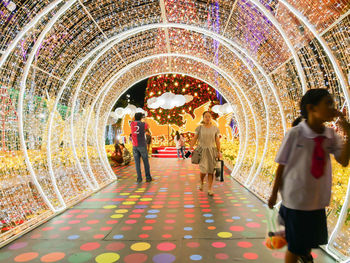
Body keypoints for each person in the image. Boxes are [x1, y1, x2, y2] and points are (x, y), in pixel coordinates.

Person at [268, 89, 350, 263]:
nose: (332, 108)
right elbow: (281, 165)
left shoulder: (330, 135)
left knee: (306, 243)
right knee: (296, 247)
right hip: (295, 201)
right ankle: (298, 250)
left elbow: (343, 160)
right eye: (327, 103)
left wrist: (348, 133)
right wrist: (274, 193)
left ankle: (302, 252)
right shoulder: (295, 134)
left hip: (317, 202)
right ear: (311, 108)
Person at [189, 111, 222, 196]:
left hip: (212, 151)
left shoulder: (215, 129)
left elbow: (217, 141)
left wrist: (219, 152)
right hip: (202, 151)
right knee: (203, 170)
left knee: (211, 170)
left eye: (209, 117)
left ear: (211, 118)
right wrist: (189, 149)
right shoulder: (199, 128)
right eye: (206, 117)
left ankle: (210, 189)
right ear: (203, 118)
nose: (207, 118)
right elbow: (194, 139)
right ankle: (201, 181)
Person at [130, 113, 153, 183]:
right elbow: (148, 126)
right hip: (142, 145)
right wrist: (144, 119)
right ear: (141, 117)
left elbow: (132, 120)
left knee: (137, 163)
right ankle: (148, 177)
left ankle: (139, 178)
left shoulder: (132, 124)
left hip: (135, 146)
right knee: (145, 162)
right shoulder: (143, 124)